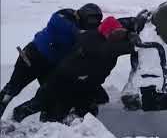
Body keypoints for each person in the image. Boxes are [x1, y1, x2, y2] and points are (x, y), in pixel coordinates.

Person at [12, 16, 142, 123]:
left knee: (98, 100)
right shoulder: (93, 41)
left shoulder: (105, 35)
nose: (120, 35)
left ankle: (70, 119)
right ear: (108, 33)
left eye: (120, 32)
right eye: (116, 33)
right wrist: (133, 45)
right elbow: (109, 49)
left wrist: (132, 27)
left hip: (85, 82)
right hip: (63, 80)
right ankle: (16, 117)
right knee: (42, 102)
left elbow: (120, 26)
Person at [0, 3, 103, 118]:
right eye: (91, 20)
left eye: (96, 21)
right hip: (32, 58)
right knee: (10, 91)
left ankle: (42, 125)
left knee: (51, 95)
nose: (92, 23)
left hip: (51, 65)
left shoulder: (85, 32)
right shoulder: (65, 15)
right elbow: (58, 21)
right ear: (83, 15)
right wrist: (81, 32)